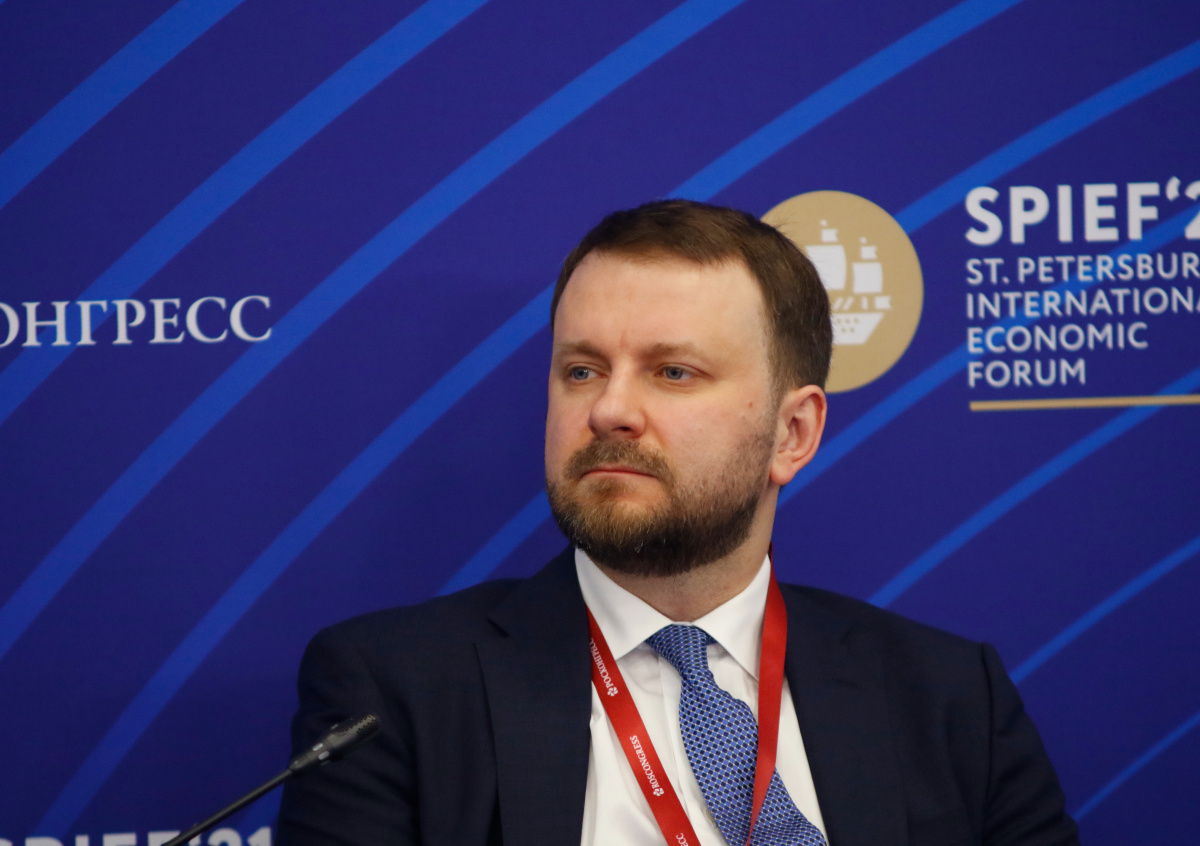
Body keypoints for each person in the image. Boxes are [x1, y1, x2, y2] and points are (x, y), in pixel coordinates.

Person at [277, 200, 1079, 846]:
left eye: (672, 372)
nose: (610, 409)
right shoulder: (393, 692)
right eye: (581, 370)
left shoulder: (950, 699)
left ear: (792, 433)